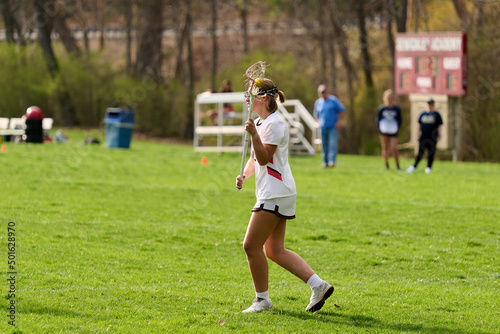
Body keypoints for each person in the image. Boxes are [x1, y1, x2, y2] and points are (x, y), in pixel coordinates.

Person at [236, 78, 334, 313]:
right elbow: (253, 160)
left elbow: (264, 157)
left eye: (252, 94)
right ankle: (318, 286)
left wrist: (254, 135)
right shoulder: (261, 122)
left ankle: (262, 300)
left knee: (250, 245)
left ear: (263, 98)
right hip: (278, 191)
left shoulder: (275, 124)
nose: (248, 98)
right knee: (274, 250)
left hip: (275, 192)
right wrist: (245, 176)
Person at [406, 98, 443, 174]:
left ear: (433, 105)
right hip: (423, 136)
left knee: (431, 152)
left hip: (432, 137)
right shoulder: (423, 114)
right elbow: (418, 125)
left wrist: (439, 134)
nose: (430, 105)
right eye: (429, 103)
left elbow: (440, 125)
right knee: (420, 152)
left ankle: (428, 167)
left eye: (431, 104)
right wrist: (417, 134)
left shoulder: (436, 115)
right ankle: (414, 166)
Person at [314, 84, 345, 167]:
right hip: (323, 127)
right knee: (324, 145)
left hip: (333, 127)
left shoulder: (333, 100)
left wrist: (338, 122)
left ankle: (332, 161)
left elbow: (341, 111)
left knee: (332, 144)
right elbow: (317, 115)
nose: (323, 94)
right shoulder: (318, 102)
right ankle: (325, 162)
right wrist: (318, 123)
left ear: (327, 92)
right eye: (321, 92)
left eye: (324, 92)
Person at [377, 89, 402, 170]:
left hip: (393, 131)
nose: (389, 99)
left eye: (391, 97)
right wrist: (381, 127)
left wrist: (396, 128)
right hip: (383, 131)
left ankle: (397, 165)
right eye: (388, 97)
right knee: (385, 148)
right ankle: (387, 165)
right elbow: (378, 119)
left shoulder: (396, 109)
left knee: (394, 148)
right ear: (384, 98)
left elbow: (400, 120)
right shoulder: (381, 108)